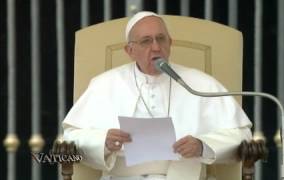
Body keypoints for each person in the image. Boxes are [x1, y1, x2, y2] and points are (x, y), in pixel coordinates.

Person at [63, 11, 252, 180]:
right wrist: (102, 142)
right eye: (146, 41)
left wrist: (203, 146)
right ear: (130, 51)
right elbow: (71, 137)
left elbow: (243, 136)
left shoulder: (200, 83)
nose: (155, 47)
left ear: (170, 43)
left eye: (161, 39)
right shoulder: (104, 84)